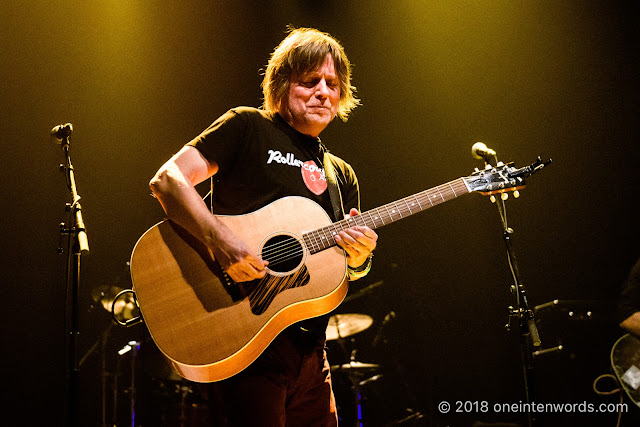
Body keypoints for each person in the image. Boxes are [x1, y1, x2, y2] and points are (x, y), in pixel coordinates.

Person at [149, 27, 378, 426]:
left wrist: (359, 258)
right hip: (245, 340)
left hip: (311, 353)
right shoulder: (248, 127)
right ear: (282, 84)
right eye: (310, 81)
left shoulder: (341, 174)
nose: (323, 91)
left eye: (333, 84)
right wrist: (223, 244)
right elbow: (168, 180)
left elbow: (345, 270)